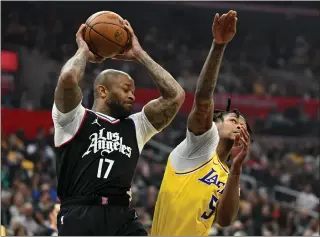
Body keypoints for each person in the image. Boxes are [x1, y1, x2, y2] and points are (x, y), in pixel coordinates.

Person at [52, 20, 185, 236]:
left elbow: (176, 96)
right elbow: (68, 78)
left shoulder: (136, 126)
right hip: (80, 214)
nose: (132, 95)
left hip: (121, 216)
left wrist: (140, 54)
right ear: (102, 91)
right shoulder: (73, 118)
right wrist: (84, 51)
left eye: (133, 90)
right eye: (126, 89)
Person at [151, 10, 252, 236]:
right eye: (234, 119)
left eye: (243, 123)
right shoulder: (199, 146)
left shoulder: (227, 174)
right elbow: (204, 100)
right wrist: (218, 46)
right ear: (215, 125)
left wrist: (236, 170)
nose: (240, 125)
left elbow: (225, 220)